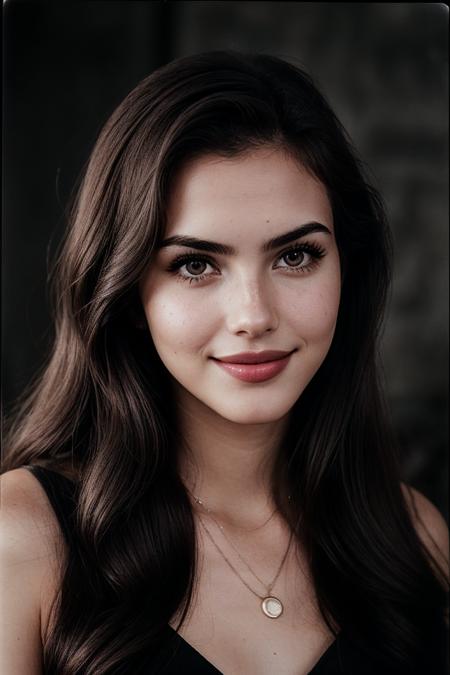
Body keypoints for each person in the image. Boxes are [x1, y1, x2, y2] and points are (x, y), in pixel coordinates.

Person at [1, 50, 448, 675]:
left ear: (350, 266)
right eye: (195, 264)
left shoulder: (417, 539)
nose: (253, 315)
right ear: (128, 293)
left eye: (295, 256)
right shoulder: (21, 539)